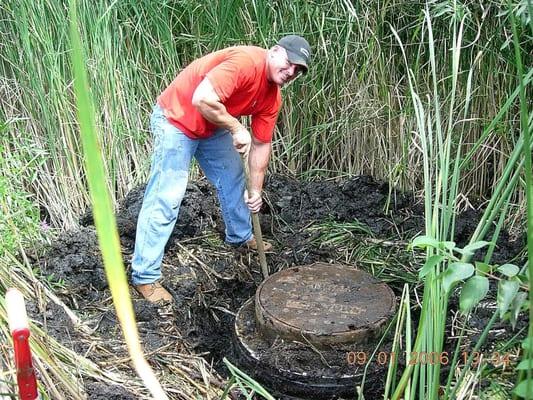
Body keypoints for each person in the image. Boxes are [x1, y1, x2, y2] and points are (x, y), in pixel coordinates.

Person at [132, 35, 311, 303]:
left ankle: (241, 237)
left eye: (297, 71)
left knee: (233, 179)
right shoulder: (245, 63)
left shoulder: (272, 98)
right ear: (274, 51)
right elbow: (202, 98)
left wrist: (256, 191)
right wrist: (237, 128)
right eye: (288, 64)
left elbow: (262, 145)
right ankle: (144, 277)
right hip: (176, 120)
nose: (290, 73)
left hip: (212, 127)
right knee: (167, 197)